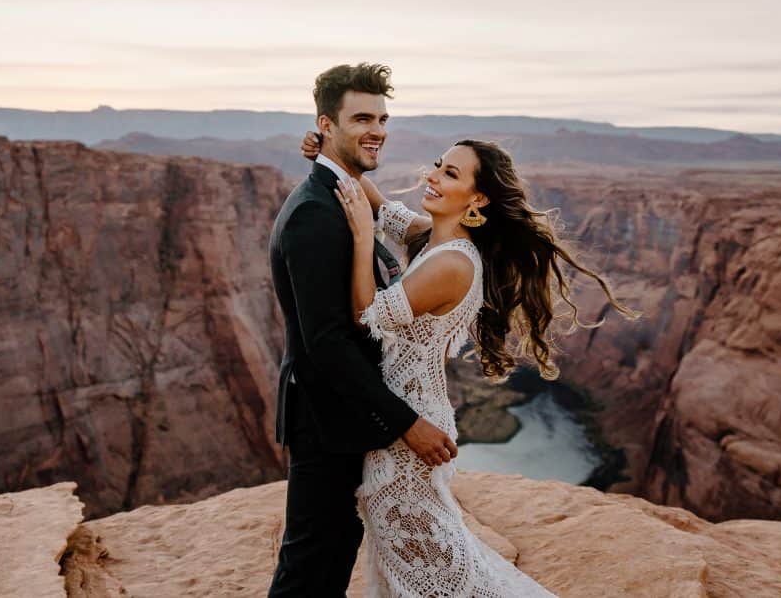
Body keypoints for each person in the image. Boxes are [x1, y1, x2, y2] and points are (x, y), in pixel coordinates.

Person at [299, 131, 641, 595]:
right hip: (400, 419)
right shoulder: (432, 238)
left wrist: (362, 238)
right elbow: (376, 204)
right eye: (438, 164)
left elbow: (365, 317)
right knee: (409, 562)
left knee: (426, 571)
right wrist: (330, 152)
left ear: (478, 197)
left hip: (409, 432)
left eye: (450, 173)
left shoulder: (453, 264)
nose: (433, 175)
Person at [267, 63, 459, 597]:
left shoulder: (347, 197)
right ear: (326, 124)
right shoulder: (314, 213)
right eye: (361, 118)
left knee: (329, 565)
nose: (377, 129)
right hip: (325, 422)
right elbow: (325, 342)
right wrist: (407, 425)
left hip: (348, 420)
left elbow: (402, 234)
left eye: (382, 118)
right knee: (308, 571)